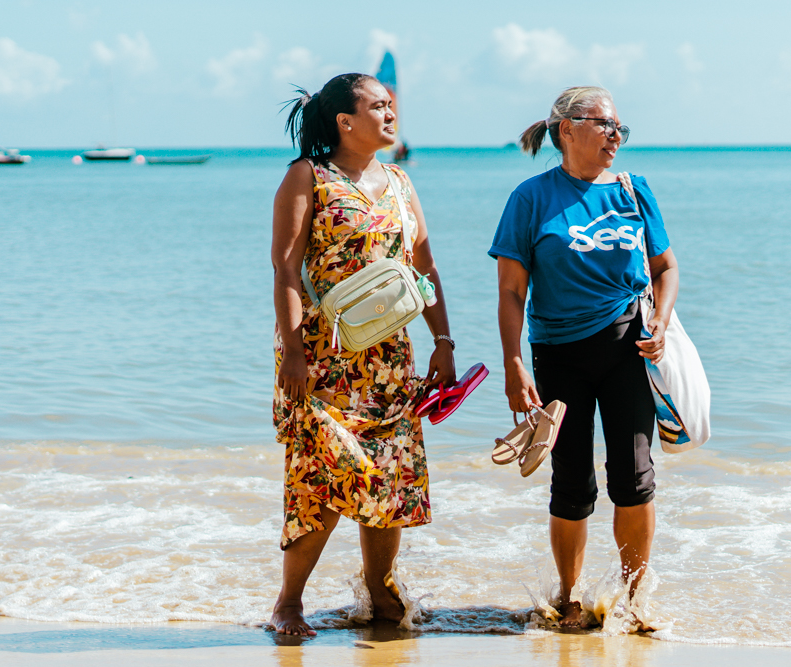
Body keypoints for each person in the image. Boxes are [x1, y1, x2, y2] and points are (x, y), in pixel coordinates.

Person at [270, 73, 456, 635]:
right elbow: (286, 267)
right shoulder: (308, 176)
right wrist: (294, 350)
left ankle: (379, 590)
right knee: (324, 474)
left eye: (391, 105)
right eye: (379, 106)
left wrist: (443, 341)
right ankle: (289, 602)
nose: (391, 113)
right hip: (322, 357)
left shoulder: (399, 181)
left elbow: (424, 267)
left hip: (389, 358)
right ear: (345, 122)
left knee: (388, 477)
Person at [489, 86, 679, 628]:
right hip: (559, 355)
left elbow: (665, 268)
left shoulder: (634, 191)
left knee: (634, 479)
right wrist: (512, 362)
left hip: (628, 348)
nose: (616, 135)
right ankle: (569, 598)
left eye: (620, 127)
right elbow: (511, 291)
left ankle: (635, 600)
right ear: (567, 129)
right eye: (605, 124)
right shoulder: (530, 198)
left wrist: (661, 322)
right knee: (571, 483)